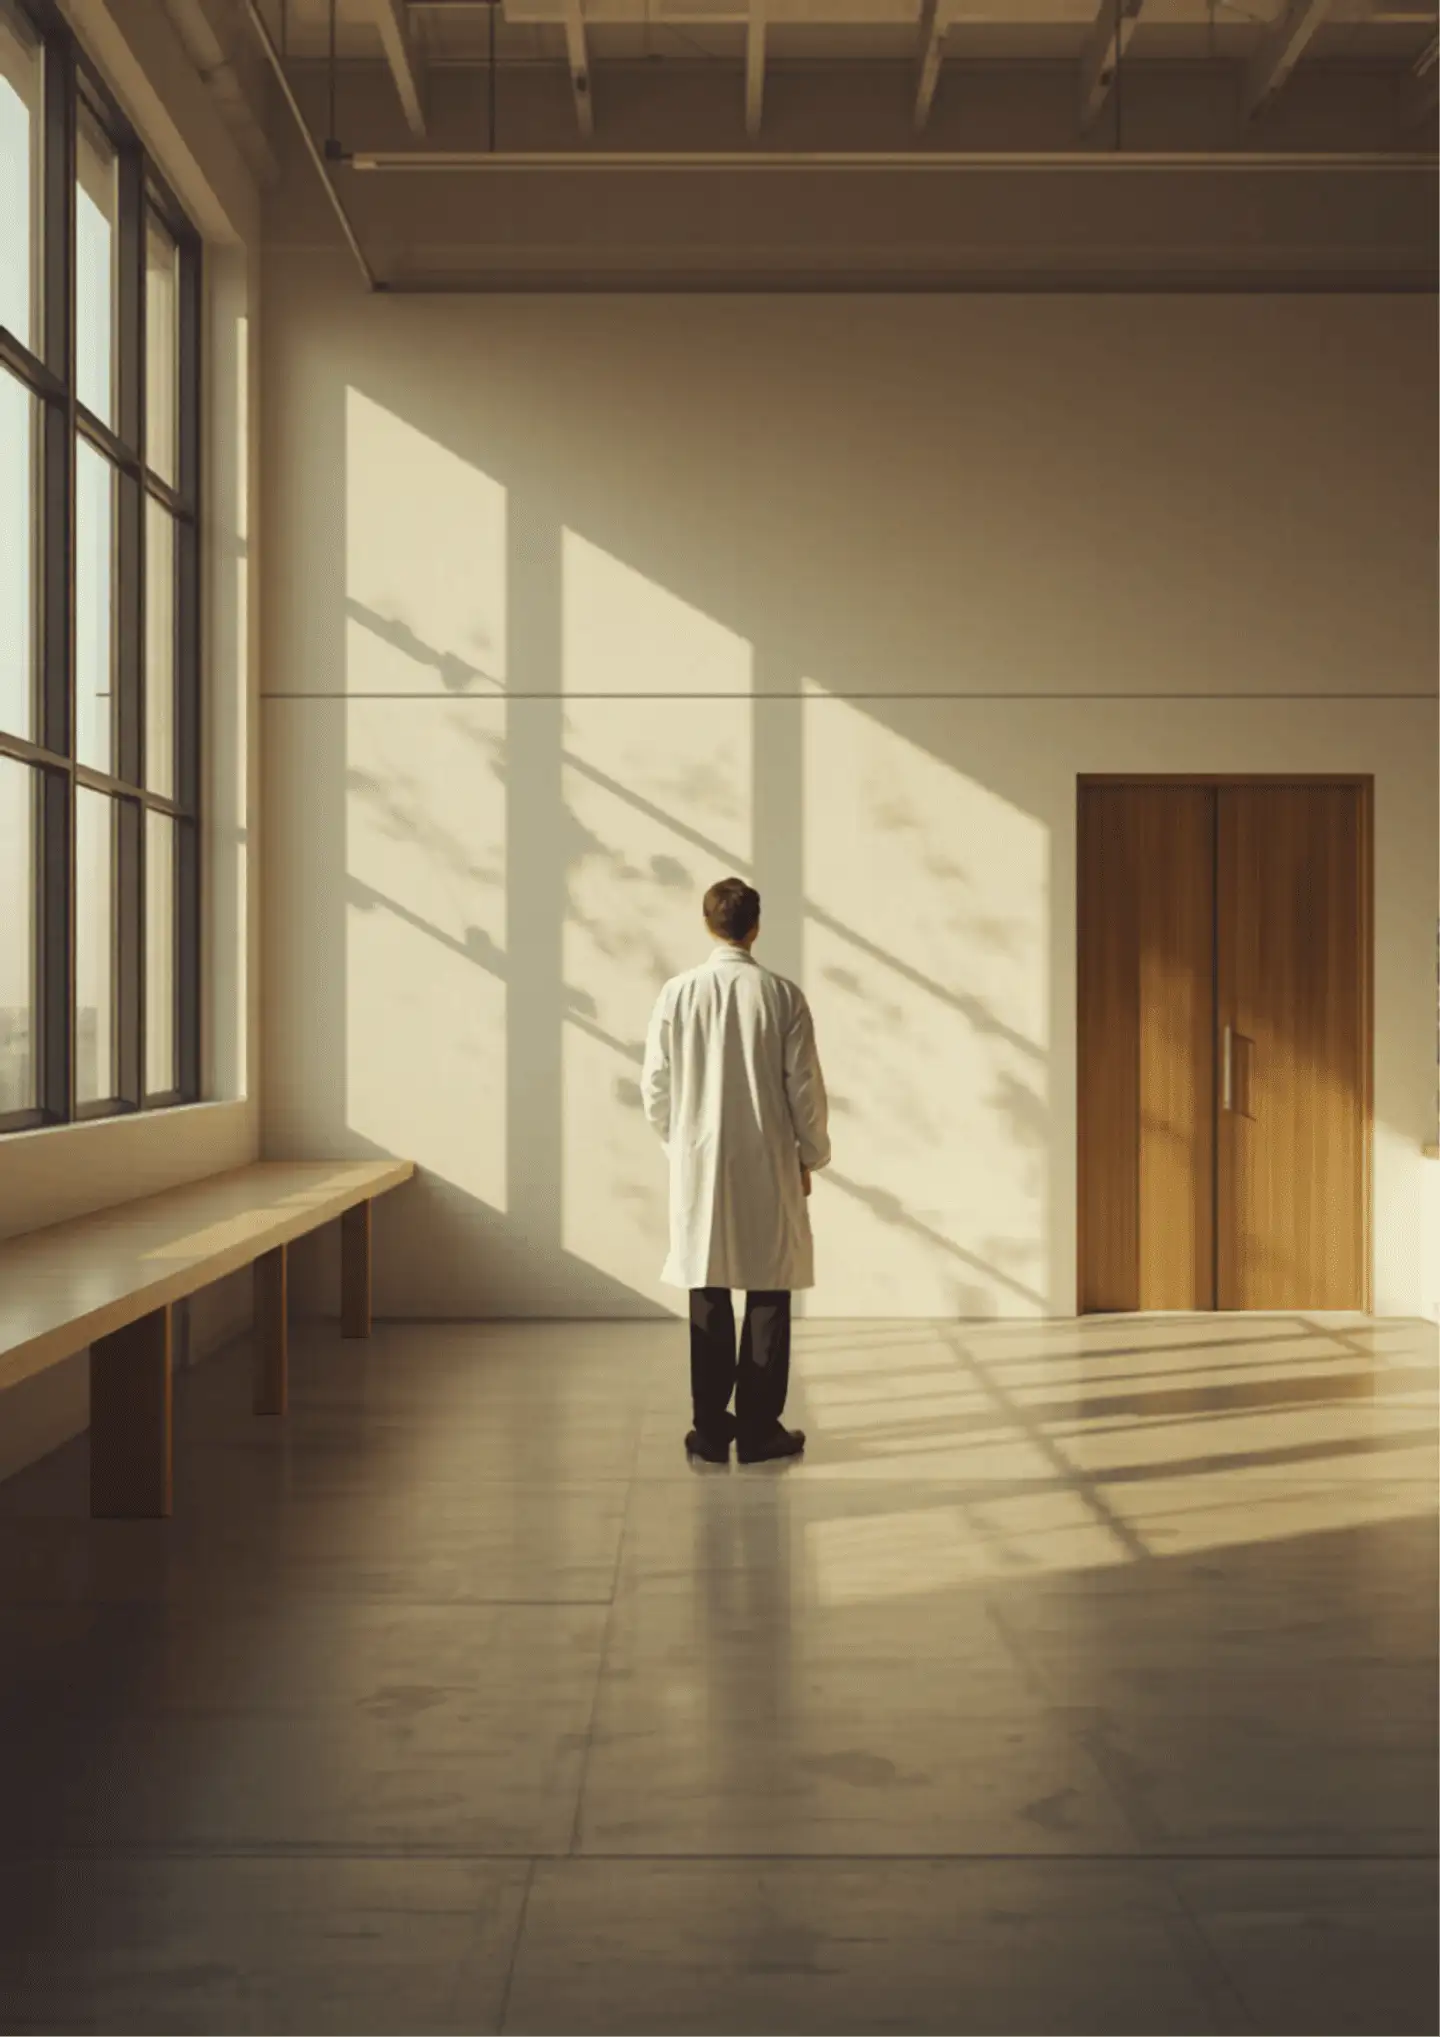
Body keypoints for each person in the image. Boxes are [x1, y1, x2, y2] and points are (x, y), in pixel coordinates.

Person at [641, 877, 831, 1465]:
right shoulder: (781, 996)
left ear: (708, 924)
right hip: (768, 1157)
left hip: (700, 1161)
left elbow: (655, 1085)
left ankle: (708, 1426)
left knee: (709, 1283)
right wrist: (811, 1155)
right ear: (755, 927)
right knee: (769, 1285)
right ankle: (758, 1428)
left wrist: (680, 1145)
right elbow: (804, 1089)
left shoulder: (676, 993)